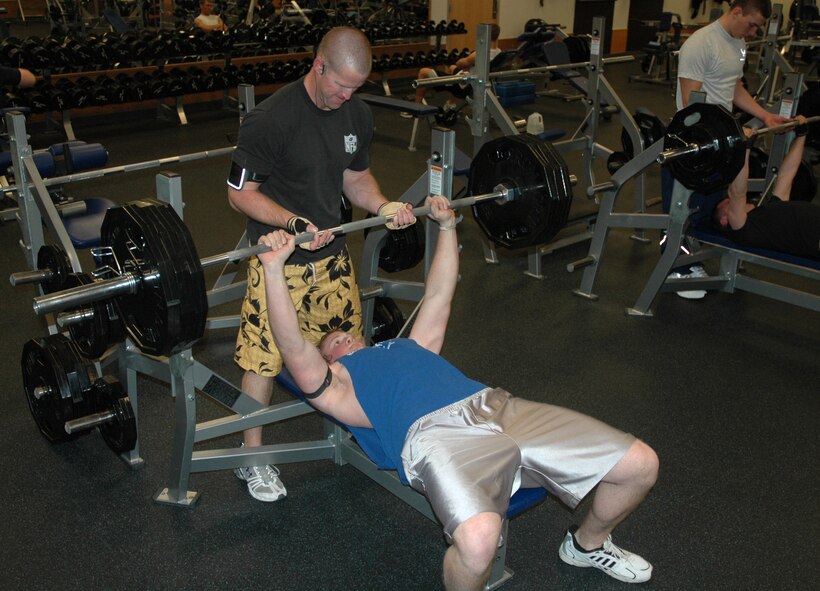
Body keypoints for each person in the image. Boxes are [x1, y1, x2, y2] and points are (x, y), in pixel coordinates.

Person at [256, 195, 659, 590]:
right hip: (435, 438)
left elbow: (438, 294)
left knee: (640, 464)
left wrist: (447, 227)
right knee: (479, 541)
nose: (343, 338)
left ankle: (586, 545)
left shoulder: (410, 346)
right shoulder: (339, 386)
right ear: (328, 363)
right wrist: (274, 271)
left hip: (497, 406)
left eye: (347, 334)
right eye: (333, 345)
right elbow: (293, 346)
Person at [226, 26, 416, 502]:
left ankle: (359, 431)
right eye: (340, 86)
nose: (345, 97)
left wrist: (382, 206)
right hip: (278, 263)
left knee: (350, 349)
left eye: (355, 89)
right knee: (264, 360)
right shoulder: (271, 119)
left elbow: (357, 177)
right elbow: (238, 195)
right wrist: (292, 223)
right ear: (319, 65)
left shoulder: (357, 112)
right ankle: (252, 458)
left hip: (332, 260)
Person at [666, 0, 792, 298]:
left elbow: (732, 85)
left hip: (721, 133)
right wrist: (731, 131)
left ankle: (693, 255)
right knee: (683, 204)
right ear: (737, 12)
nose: (753, 32)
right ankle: (675, 266)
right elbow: (690, 102)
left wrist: (764, 115)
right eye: (752, 25)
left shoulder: (737, 43)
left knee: (711, 202)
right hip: (695, 134)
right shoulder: (701, 43)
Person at [711, 117, 820, 259]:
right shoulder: (741, 230)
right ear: (725, 220)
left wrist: (801, 135)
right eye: (727, 203)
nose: (728, 200)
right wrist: (744, 149)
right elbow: (737, 192)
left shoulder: (770, 211)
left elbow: (787, 175)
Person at [401, 23, 502, 118]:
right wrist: (470, 64)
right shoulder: (498, 53)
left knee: (423, 72)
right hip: (476, 82)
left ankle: (415, 109)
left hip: (463, 85)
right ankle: (451, 105)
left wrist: (468, 61)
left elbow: (461, 63)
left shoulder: (479, 54)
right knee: (452, 68)